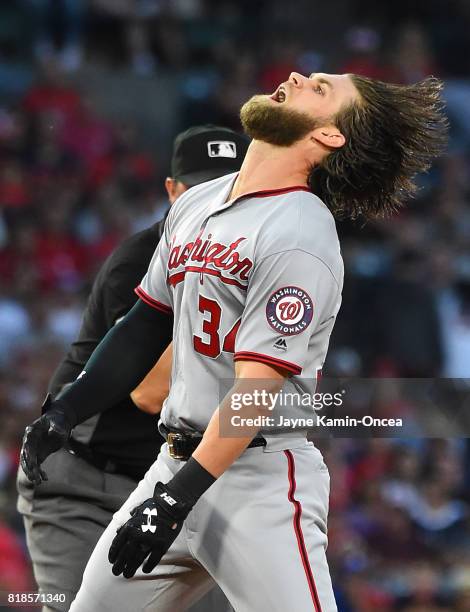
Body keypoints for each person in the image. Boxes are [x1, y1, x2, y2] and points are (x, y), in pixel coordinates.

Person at [20, 72, 447, 611]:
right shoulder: (199, 200)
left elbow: (255, 394)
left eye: (320, 88)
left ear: (329, 136)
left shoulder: (301, 230)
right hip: (174, 462)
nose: (296, 76)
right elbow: (144, 322)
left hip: (258, 482)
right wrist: (68, 409)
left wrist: (174, 501)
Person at [17, 125, 249, 612]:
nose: (213, 202)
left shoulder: (256, 261)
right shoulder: (140, 260)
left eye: (226, 187)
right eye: (198, 187)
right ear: (171, 191)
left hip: (175, 487)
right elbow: (148, 393)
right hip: (87, 486)